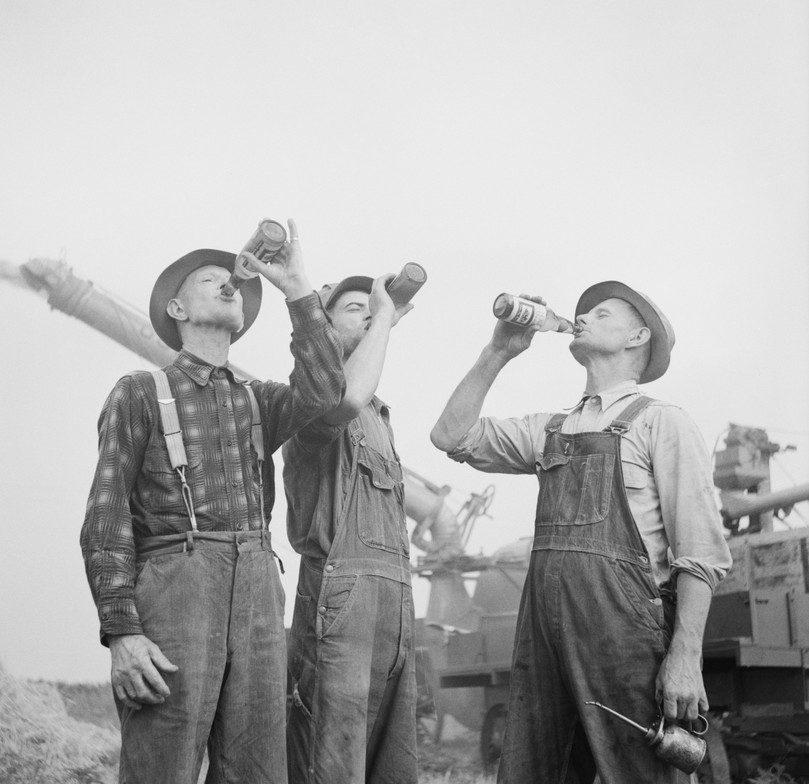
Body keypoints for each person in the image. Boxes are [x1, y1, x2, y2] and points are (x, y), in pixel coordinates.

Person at [430, 281, 732, 783]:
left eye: (602, 313)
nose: (582, 318)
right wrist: (499, 350)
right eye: (583, 313)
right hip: (544, 644)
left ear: (638, 337)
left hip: (627, 642)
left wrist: (684, 658)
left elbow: (699, 556)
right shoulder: (549, 429)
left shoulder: (663, 423)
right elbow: (451, 436)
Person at [80, 220, 345, 784]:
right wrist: (123, 632)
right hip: (174, 588)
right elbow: (106, 518)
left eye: (236, 283)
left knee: (258, 767)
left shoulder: (259, 401)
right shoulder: (139, 392)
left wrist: (297, 289)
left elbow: (325, 391)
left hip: (256, 587)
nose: (230, 284)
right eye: (210, 278)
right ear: (176, 310)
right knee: (163, 765)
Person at [282, 273, 418, 784]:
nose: (368, 312)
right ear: (322, 327)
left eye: (372, 307)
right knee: (330, 765)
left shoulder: (381, 417)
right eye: (353, 307)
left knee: (391, 764)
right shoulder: (309, 400)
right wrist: (385, 315)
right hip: (338, 602)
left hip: (393, 603)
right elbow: (344, 398)